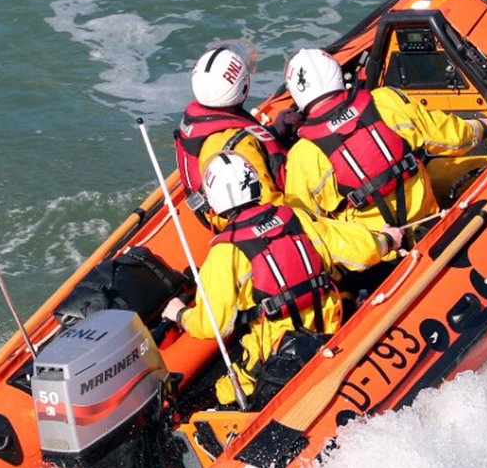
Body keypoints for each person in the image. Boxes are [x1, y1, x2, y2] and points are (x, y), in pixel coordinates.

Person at [161, 152, 404, 407]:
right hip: (331, 332)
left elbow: (212, 325)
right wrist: (386, 240)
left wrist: (180, 315)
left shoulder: (225, 252)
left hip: (280, 358)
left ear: (213, 201)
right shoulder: (294, 218)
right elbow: (360, 250)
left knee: (222, 393)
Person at [282, 48, 487, 232]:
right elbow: (449, 138)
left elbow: (306, 227)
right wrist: (481, 128)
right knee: (473, 164)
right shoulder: (386, 100)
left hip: (377, 254)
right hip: (427, 221)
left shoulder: (302, 156)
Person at [173, 46, 287, 226]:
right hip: (249, 225)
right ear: (242, 87)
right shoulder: (241, 145)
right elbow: (268, 206)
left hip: (215, 213)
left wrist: (274, 133)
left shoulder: (198, 122)